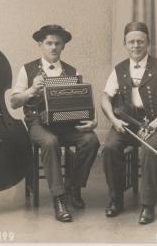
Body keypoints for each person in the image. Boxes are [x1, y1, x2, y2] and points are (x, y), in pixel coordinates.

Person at [9, 24, 100, 223]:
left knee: (91, 140)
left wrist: (93, 120)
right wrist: (32, 90)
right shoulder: (27, 69)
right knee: (50, 142)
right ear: (40, 45)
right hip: (37, 125)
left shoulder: (72, 71)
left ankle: (74, 187)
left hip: (66, 125)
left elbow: (84, 102)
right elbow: (14, 102)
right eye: (49, 43)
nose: (53, 47)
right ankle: (59, 200)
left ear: (63, 46)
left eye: (58, 43)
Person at [101, 21, 157, 225]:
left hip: (153, 122)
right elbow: (105, 98)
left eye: (140, 42)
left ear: (148, 43)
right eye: (131, 42)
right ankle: (116, 200)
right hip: (125, 123)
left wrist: (156, 123)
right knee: (109, 148)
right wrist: (113, 120)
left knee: (150, 151)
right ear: (125, 44)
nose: (136, 46)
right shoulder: (119, 69)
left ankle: (147, 205)